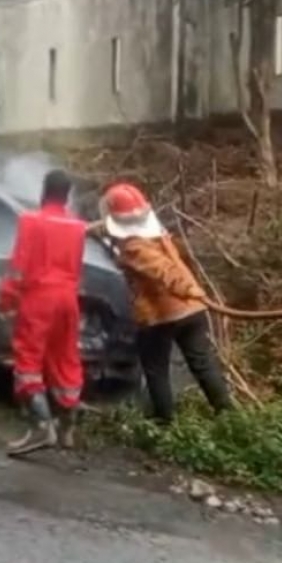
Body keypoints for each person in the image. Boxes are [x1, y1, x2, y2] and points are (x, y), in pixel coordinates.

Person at [101, 182, 232, 424]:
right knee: (203, 363)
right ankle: (229, 416)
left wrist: (187, 288)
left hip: (160, 316)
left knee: (155, 369)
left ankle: (164, 420)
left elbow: (163, 270)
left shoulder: (133, 246)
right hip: (193, 310)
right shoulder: (156, 231)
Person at [0, 168, 87, 457]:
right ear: (67, 195)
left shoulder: (30, 221)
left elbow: (18, 267)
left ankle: (41, 427)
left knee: (28, 361)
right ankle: (67, 428)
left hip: (39, 299)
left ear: (44, 190)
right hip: (68, 298)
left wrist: (7, 300)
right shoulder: (77, 226)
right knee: (65, 358)